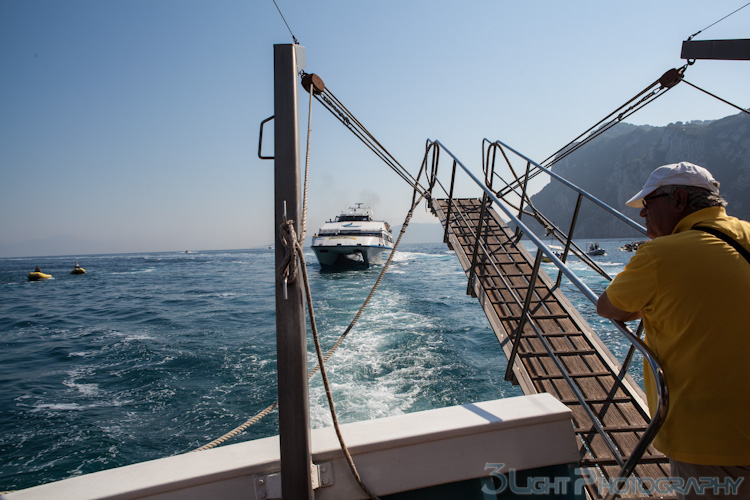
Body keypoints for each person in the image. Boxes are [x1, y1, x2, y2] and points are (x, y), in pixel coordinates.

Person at [597, 162, 750, 499]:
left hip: (711, 440)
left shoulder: (659, 256)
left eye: (647, 205)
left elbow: (608, 307)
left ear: (679, 199)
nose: (642, 217)